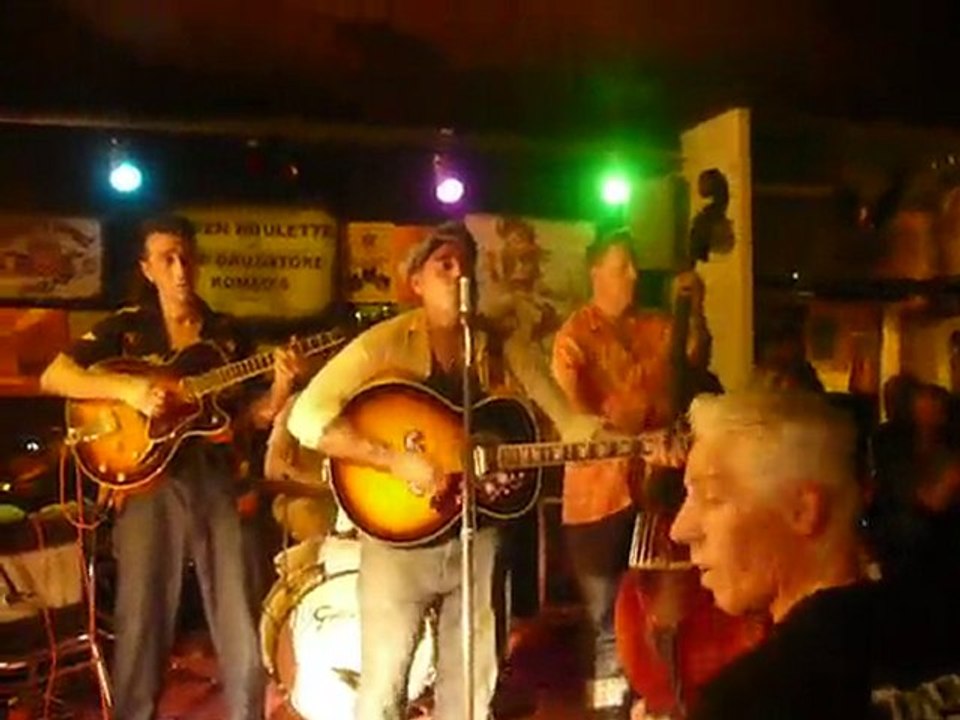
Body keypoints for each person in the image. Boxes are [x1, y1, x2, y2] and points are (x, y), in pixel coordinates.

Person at [286, 221, 604, 720]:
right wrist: (394, 459)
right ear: (416, 281)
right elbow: (307, 417)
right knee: (383, 688)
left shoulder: (497, 343)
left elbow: (563, 416)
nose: (461, 277)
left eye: (468, 266)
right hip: (397, 542)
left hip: (476, 538)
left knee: (472, 691)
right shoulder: (383, 343)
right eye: (445, 266)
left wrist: (603, 436)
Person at [40, 215, 301, 720]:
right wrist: (129, 390)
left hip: (217, 478)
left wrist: (279, 392)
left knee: (239, 613)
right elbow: (55, 376)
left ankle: (246, 713)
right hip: (146, 483)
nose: (180, 270)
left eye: (186, 258)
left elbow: (250, 416)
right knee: (142, 618)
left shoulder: (227, 336)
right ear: (148, 268)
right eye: (167, 259)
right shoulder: (127, 328)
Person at [669, 391, 960, 719]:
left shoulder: (751, 702)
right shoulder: (941, 625)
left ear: (803, 510)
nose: (679, 529)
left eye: (712, 498)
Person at [550, 229, 709, 718]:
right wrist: (639, 427)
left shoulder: (658, 326)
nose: (634, 276)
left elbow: (694, 359)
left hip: (657, 490)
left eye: (634, 267)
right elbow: (578, 419)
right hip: (596, 499)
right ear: (596, 272)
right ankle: (610, 712)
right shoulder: (573, 339)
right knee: (607, 622)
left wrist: (695, 308)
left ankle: (664, 704)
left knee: (665, 612)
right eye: (623, 268)